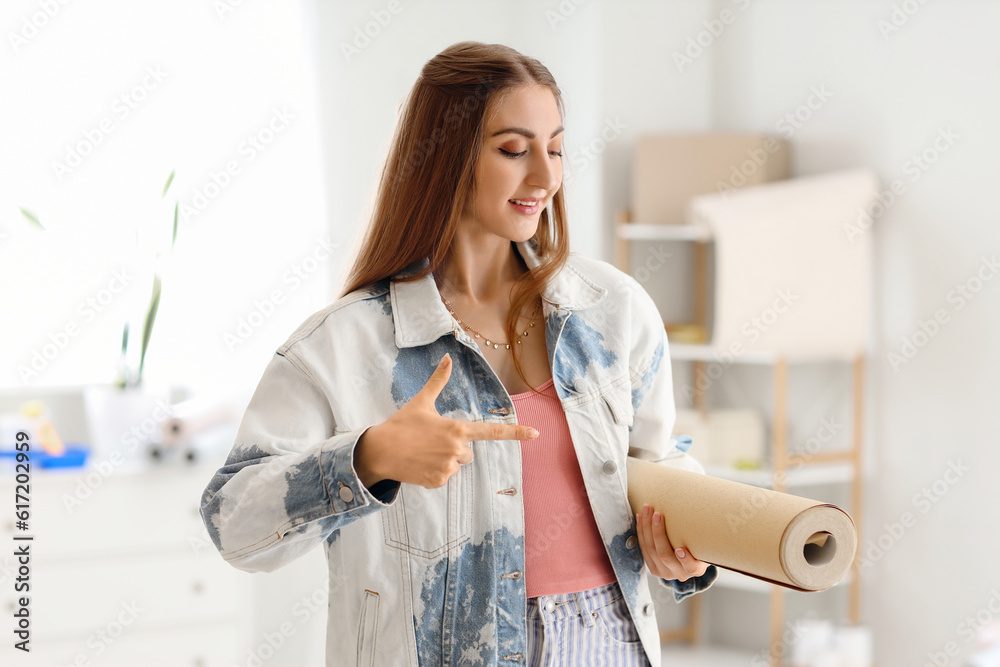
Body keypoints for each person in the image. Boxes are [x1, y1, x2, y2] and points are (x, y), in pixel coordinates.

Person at [199, 40, 718, 667]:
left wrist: (686, 541)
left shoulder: (613, 310)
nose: (546, 178)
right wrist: (370, 457)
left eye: (555, 149)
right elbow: (233, 525)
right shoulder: (342, 344)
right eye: (513, 149)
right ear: (445, 157)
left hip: (605, 642)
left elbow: (654, 465)